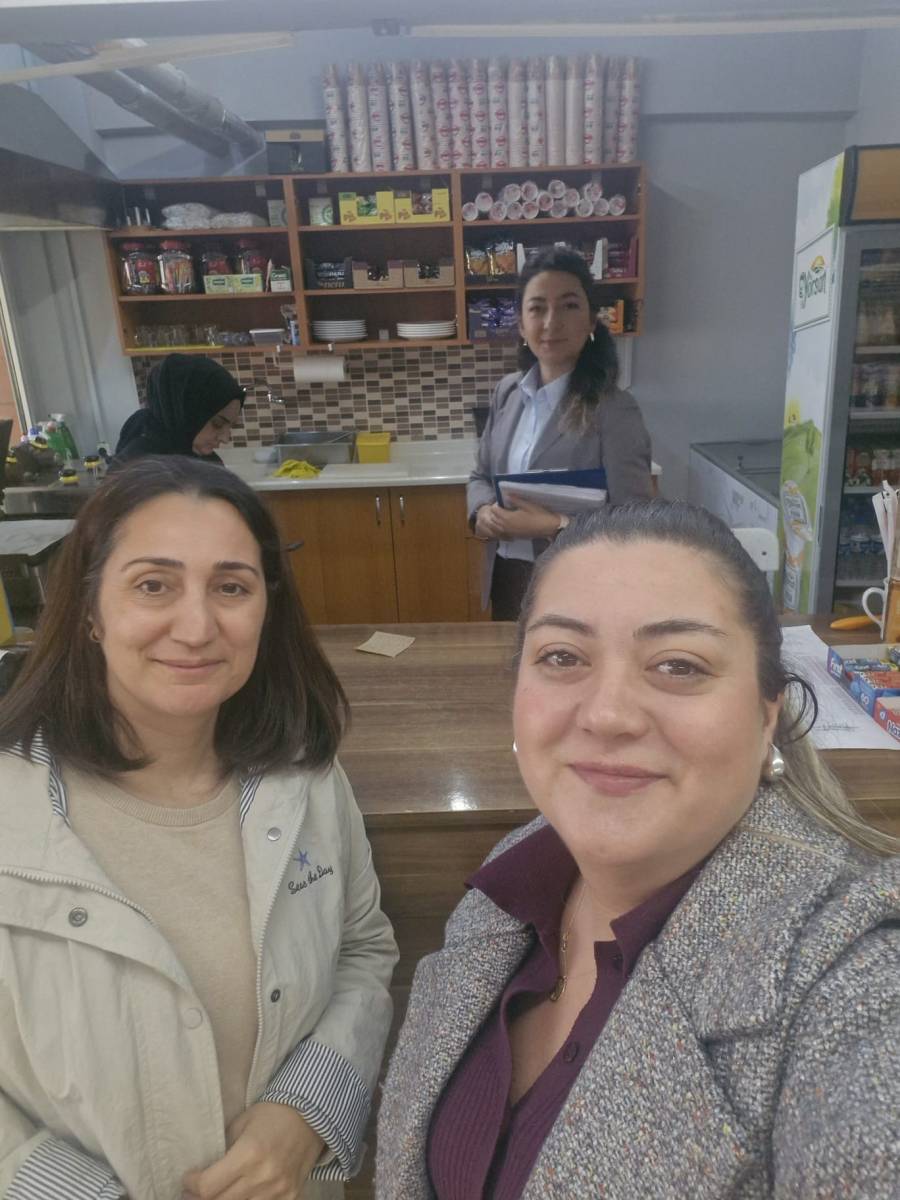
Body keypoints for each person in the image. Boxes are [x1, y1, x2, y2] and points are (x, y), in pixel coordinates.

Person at [376, 499, 899, 1199]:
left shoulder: (855, 980)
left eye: (678, 665)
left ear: (766, 713)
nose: (608, 714)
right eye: (562, 657)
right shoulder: (509, 888)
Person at [0, 456, 397, 1200]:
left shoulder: (305, 778)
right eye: (154, 585)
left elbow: (362, 948)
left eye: (231, 587)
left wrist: (307, 1110)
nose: (197, 626)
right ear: (89, 611)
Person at [467, 246, 653, 620]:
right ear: (522, 325)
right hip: (507, 576)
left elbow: (636, 521)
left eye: (569, 306)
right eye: (537, 308)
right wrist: (482, 511)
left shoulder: (614, 409)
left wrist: (554, 526)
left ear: (591, 322)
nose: (552, 321)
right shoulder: (507, 392)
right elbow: (480, 476)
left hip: (580, 583)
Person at [113, 352, 244, 465]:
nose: (225, 438)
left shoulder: (200, 459)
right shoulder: (141, 471)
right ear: (184, 413)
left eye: (231, 426)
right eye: (217, 424)